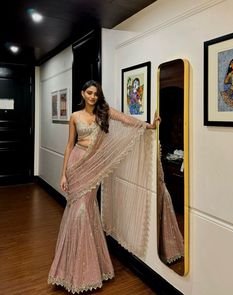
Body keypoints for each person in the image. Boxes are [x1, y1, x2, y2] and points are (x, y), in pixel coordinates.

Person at [48, 80, 158, 294]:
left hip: (94, 166)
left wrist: (149, 126)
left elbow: (127, 121)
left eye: (95, 94)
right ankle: (70, 269)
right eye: (89, 93)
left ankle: (87, 269)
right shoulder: (75, 116)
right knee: (77, 211)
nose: (92, 97)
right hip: (76, 165)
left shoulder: (104, 112)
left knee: (85, 210)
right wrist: (63, 173)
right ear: (83, 93)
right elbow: (70, 145)